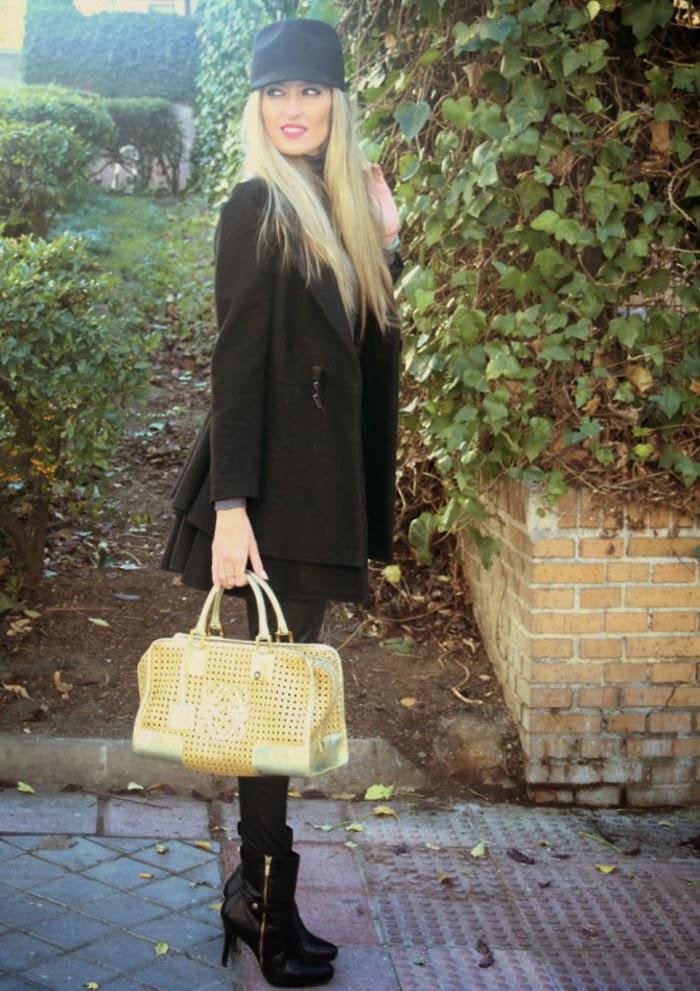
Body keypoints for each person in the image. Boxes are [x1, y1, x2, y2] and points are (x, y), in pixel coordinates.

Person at [159, 16, 404, 988]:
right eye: (277, 93)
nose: (294, 108)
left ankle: (257, 894)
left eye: (310, 91)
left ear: (336, 104)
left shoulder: (335, 206)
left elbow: (367, 361)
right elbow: (235, 370)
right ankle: (265, 901)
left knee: (277, 704)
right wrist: (229, 512)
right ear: (256, 106)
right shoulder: (255, 204)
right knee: (267, 710)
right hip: (263, 504)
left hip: (318, 497)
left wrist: (383, 245)